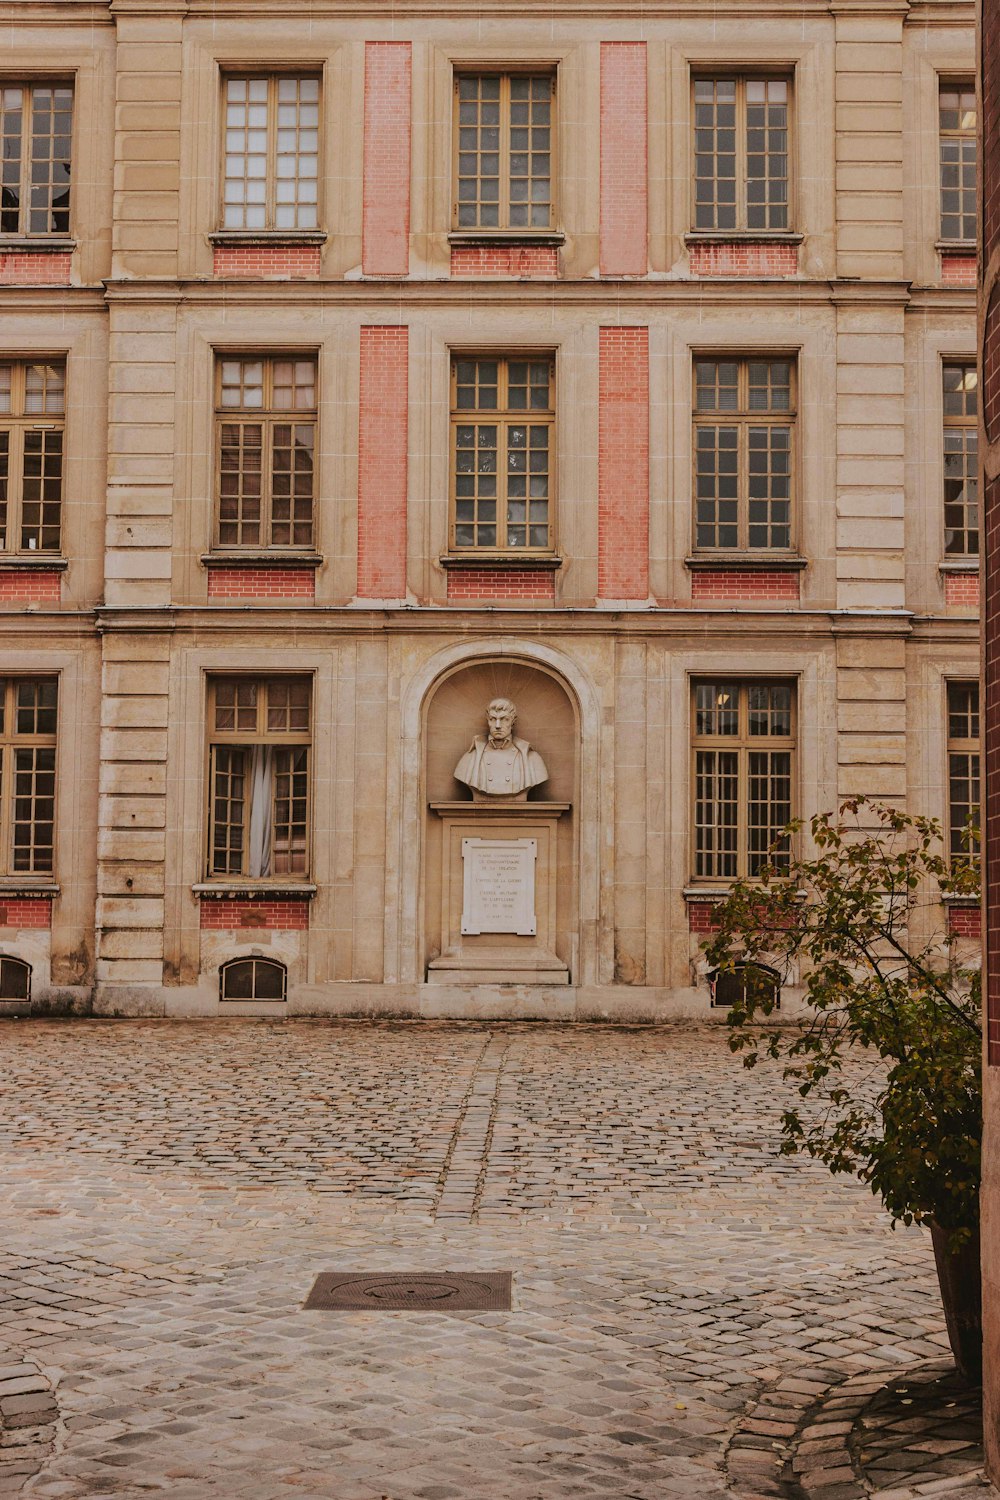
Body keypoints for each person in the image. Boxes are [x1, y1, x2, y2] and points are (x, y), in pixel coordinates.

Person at [454, 697, 548, 797]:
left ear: (513, 722)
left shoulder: (532, 759)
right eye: (493, 719)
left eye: (505, 719)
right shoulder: (470, 758)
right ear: (488, 721)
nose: (498, 725)